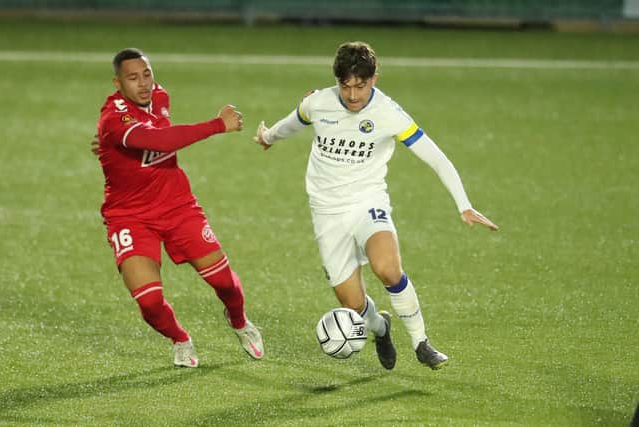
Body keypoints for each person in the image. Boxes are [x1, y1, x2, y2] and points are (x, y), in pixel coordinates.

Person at [254, 41, 498, 371]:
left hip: (367, 202)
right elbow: (294, 122)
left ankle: (422, 343)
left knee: (387, 268)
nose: (353, 95)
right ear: (336, 81)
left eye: (361, 85)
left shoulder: (388, 114)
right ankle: (381, 328)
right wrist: (268, 137)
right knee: (353, 305)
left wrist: (464, 204)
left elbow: (436, 158)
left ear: (374, 80)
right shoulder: (319, 103)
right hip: (327, 214)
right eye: (346, 86)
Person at [95, 47, 264, 368]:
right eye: (133, 78)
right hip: (129, 216)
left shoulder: (160, 97)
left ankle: (239, 322)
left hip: (177, 207)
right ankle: (180, 339)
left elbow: (156, 133)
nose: (143, 83)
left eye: (147, 74)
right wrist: (218, 125)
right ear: (117, 83)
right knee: (149, 302)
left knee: (224, 283)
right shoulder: (113, 119)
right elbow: (160, 141)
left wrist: (109, 146)